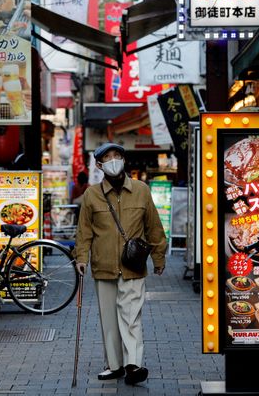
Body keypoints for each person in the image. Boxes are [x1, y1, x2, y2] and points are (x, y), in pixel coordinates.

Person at [74, 142, 167, 386]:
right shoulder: (91, 194)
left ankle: (133, 364)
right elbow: (83, 232)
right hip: (103, 265)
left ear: (124, 161)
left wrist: (159, 258)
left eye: (117, 155)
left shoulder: (141, 190)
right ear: (99, 164)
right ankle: (114, 366)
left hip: (133, 265)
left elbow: (154, 227)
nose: (113, 160)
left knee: (131, 315)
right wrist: (81, 258)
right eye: (108, 157)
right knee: (109, 319)